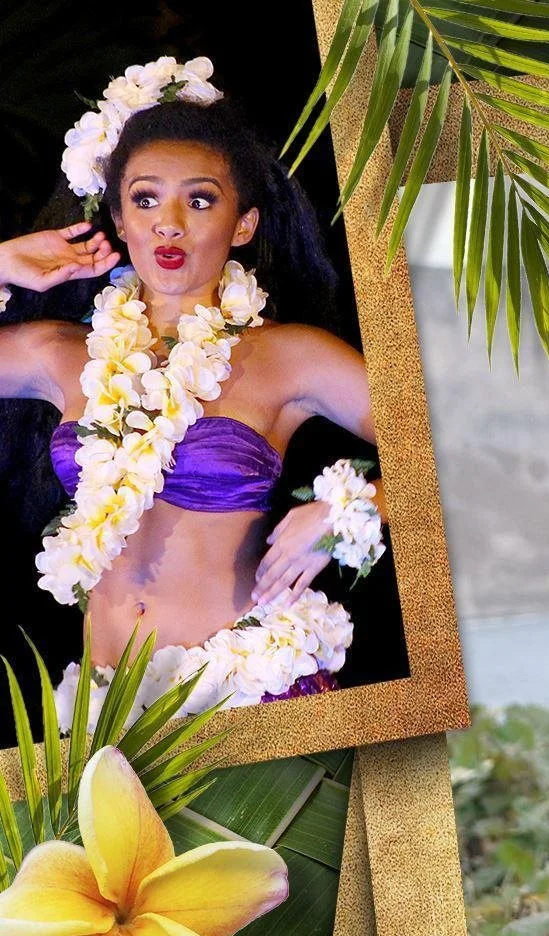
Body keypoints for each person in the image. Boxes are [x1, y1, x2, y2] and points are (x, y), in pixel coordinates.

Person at [0, 57, 379, 715]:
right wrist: (1, 261)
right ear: (119, 218)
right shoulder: (58, 355)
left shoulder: (288, 357)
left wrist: (350, 509)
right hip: (108, 717)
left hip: (247, 691)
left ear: (243, 224)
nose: (168, 222)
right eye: (145, 198)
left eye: (199, 199)